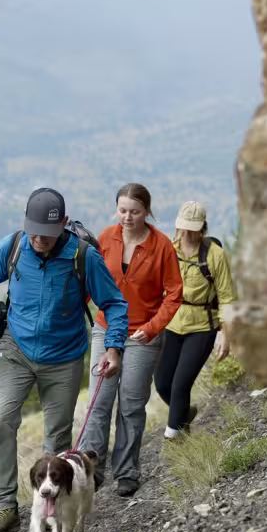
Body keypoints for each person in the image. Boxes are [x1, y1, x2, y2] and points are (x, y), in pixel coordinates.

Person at [0, 187, 129, 532]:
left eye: (48, 233)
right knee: (1, 418)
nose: (39, 239)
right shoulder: (13, 247)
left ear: (64, 225)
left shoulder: (82, 256)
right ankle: (3, 507)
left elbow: (114, 303)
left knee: (56, 438)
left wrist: (113, 348)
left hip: (64, 356)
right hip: (15, 347)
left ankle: (49, 513)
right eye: (34, 230)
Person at [78, 184, 183, 497]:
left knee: (131, 405)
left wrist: (152, 327)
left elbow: (175, 293)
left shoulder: (162, 246)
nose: (127, 217)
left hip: (142, 335)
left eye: (134, 211)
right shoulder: (105, 238)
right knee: (98, 399)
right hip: (105, 329)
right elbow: (89, 280)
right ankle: (90, 469)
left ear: (147, 212)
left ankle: (126, 472)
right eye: (122, 210)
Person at [154, 200, 237, 439]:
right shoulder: (169, 249)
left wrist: (226, 335)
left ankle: (175, 439)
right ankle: (183, 414)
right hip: (172, 323)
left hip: (202, 327)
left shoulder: (215, 255)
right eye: (183, 227)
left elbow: (227, 298)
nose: (187, 233)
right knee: (162, 384)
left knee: (181, 385)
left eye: (192, 228)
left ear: (203, 228)